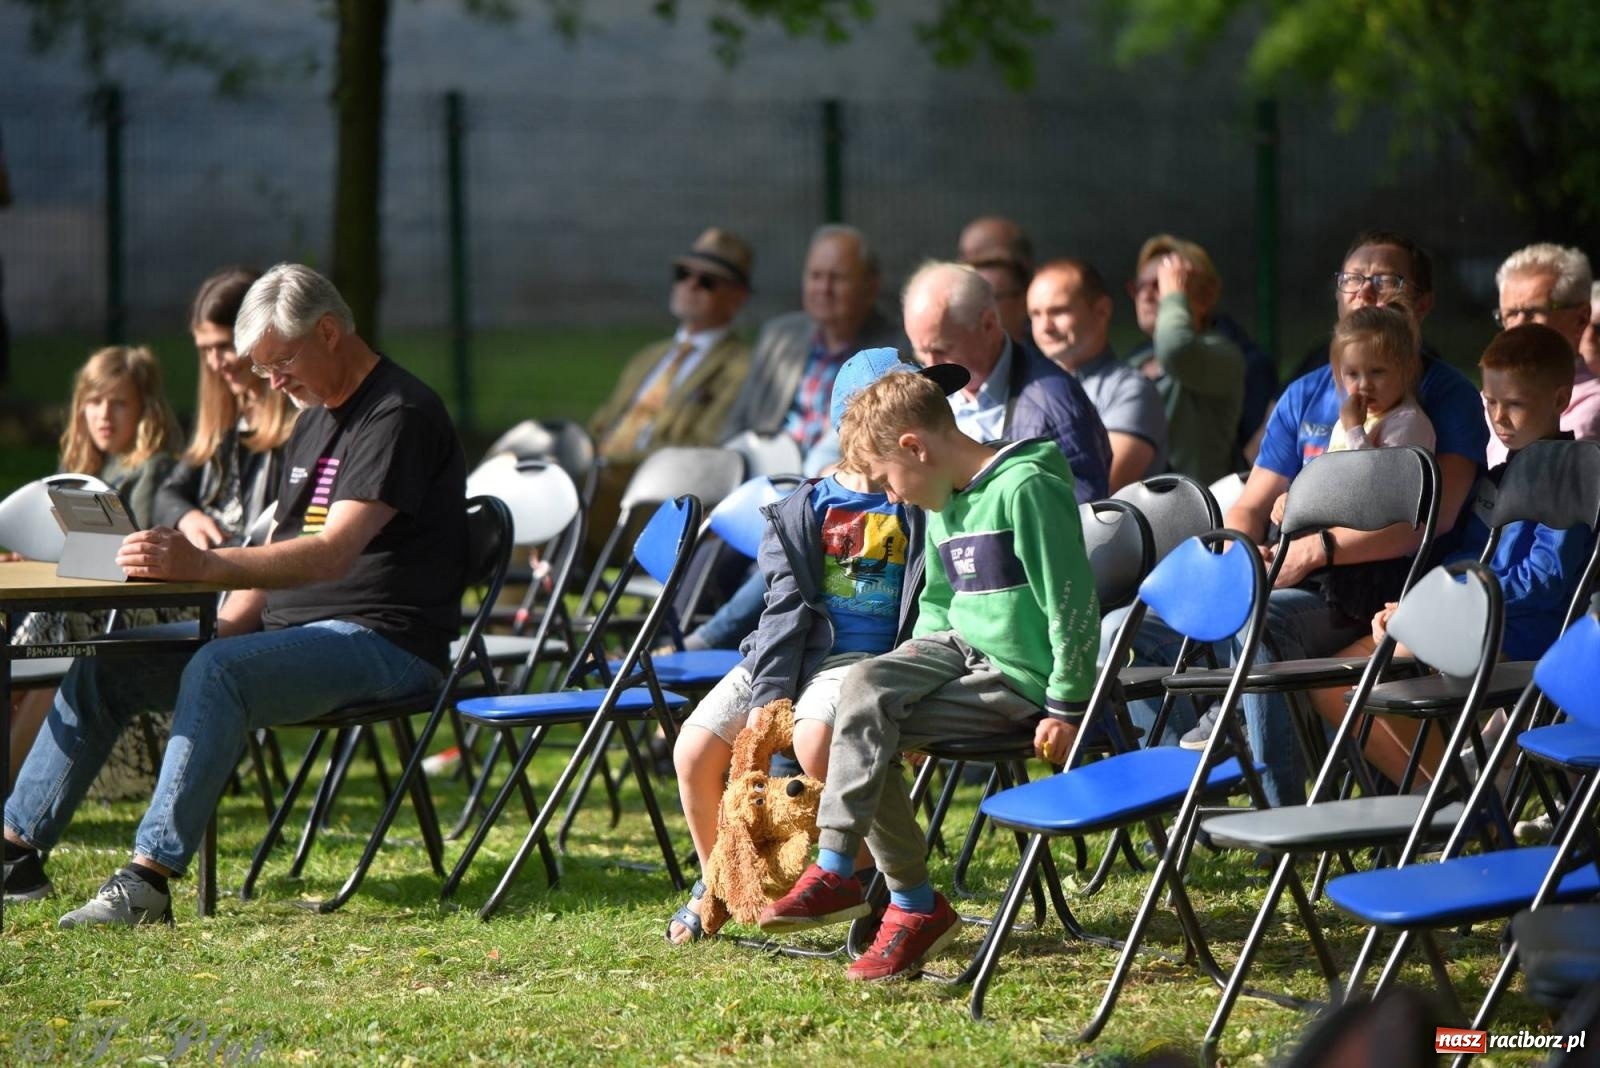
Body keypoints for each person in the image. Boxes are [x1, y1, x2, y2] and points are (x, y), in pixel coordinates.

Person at [2, 263, 467, 926]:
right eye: (265, 368)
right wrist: (218, 626)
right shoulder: (312, 418)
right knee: (109, 664)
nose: (271, 383)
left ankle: (147, 882)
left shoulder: (398, 414)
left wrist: (203, 564)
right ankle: (15, 851)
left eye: (281, 362)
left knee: (218, 672)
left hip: (383, 642)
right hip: (287, 638)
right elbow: (276, 546)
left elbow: (331, 553)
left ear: (329, 332)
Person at [756, 369, 1100, 982]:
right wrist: (902, 676)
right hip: (954, 649)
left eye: (889, 479)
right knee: (860, 694)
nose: (891, 497)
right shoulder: (941, 497)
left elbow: (1071, 602)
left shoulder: (1024, 487)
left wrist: (1068, 705)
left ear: (916, 447)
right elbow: (938, 605)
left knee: (861, 726)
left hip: (1017, 677)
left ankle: (898, 899)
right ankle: (860, 878)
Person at [1162, 232, 1487, 798]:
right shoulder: (1306, 392)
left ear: (1423, 304)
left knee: (1262, 620)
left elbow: (1433, 518)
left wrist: (1317, 549)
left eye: (1387, 280)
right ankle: (1182, 793)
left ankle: (1276, 808)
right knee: (1137, 626)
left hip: (1378, 589)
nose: (1365, 291)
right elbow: (1252, 503)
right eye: (1352, 279)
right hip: (1294, 571)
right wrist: (1241, 557)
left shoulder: (1445, 397)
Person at [665, 348, 966, 944]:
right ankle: (722, 882)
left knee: (819, 741)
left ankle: (866, 886)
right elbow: (782, 613)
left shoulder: (921, 494)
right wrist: (769, 694)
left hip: (862, 663)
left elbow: (939, 595)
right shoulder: (804, 509)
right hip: (785, 656)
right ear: (858, 422)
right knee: (693, 751)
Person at [1308, 324, 1593, 787]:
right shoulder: (1500, 476)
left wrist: (1445, 608)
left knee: (1347, 682)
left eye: (1515, 404)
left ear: (1561, 401)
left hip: (1517, 632)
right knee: (1328, 684)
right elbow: (1465, 556)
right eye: (1491, 402)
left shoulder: (1570, 477)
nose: (1500, 417)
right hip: (1470, 621)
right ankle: (1458, 797)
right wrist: (1419, 603)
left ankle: (1460, 802)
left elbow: (1546, 578)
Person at [7, 344, 182, 787]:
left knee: (47, 647)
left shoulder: (153, 470)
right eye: (94, 401)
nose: (105, 414)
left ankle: (8, 785)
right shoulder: (79, 469)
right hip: (80, 612)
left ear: (145, 408)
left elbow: (128, 550)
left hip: (132, 619)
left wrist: (47, 557)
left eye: (119, 402)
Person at [587, 228, 754, 548]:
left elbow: (703, 447)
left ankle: (509, 596)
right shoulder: (648, 357)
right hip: (601, 481)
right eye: (683, 274)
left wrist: (610, 463)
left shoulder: (741, 366)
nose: (690, 284)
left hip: (656, 499)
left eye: (707, 281)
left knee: (550, 505)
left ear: (738, 296)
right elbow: (602, 424)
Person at [901, 260, 1111, 503]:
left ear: (989, 325)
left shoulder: (1055, 402)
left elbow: (1082, 512)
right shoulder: (922, 397)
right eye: (920, 352)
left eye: (942, 349)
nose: (930, 364)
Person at [719, 224, 902, 459]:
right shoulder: (779, 335)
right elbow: (737, 421)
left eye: (837, 278)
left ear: (871, 285)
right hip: (764, 470)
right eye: (816, 276)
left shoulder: (895, 351)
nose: (823, 289)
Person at [153, 266, 297, 548]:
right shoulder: (226, 414)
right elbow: (168, 494)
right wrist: (188, 517)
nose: (215, 363)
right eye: (205, 350)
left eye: (224, 346)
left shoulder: (299, 420)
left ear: (260, 337)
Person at [1027, 257, 1168, 489]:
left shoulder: (1132, 390)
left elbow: (1099, 488)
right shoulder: (1024, 386)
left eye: (1059, 311)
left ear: (1102, 310)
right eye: (1035, 314)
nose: (1045, 327)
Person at [1126, 234, 1245, 484]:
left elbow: (1176, 348)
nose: (1146, 295)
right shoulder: (1136, 360)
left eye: (1161, 284)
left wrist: (1174, 300)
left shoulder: (1223, 355)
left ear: (1205, 295)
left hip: (1193, 515)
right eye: (1140, 286)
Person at [1485, 243, 1600, 467]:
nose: (1518, 326)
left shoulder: (1593, 405)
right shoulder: (1486, 398)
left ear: (1581, 318)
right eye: (1510, 314)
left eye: (1533, 312)